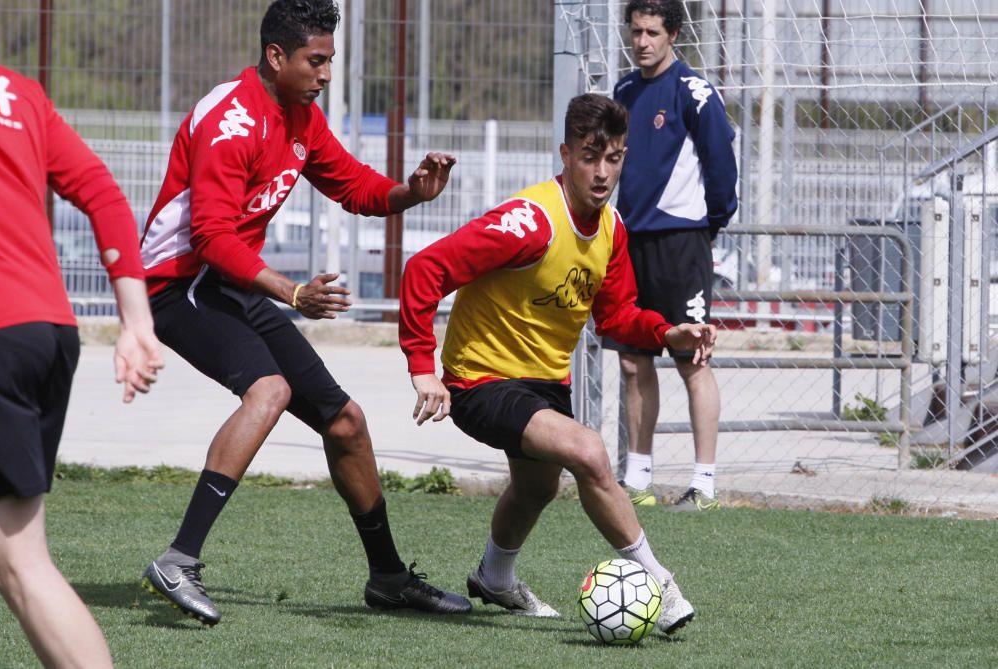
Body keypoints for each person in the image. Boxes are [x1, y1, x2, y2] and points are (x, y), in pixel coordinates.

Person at [137, 0, 470, 626]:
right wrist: (292, 293)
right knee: (269, 389)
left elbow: (354, 186)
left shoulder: (300, 116)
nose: (324, 75)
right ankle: (178, 559)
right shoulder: (232, 121)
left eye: (329, 62)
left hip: (229, 286)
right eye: (316, 61)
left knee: (345, 421)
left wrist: (411, 192)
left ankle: (390, 578)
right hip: (175, 285)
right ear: (276, 56)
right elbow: (209, 237)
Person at [399, 93, 716, 635]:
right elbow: (426, 268)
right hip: (480, 380)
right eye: (590, 157)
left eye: (613, 158)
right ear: (566, 154)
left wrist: (667, 331)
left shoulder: (612, 229)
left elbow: (617, 317)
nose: (602, 172)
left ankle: (494, 577)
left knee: (537, 488)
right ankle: (660, 583)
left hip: (544, 383)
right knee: (588, 451)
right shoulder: (529, 222)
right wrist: (422, 366)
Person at [0, 65, 165, 668]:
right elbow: (102, 192)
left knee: (20, 561)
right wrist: (136, 323)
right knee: (18, 559)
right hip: (45, 330)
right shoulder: (17, 91)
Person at [603, 0, 738, 509]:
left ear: (674, 35)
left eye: (652, 32)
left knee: (693, 361)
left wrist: (709, 225)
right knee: (635, 364)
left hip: (682, 244)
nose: (642, 41)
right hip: (629, 246)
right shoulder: (622, 92)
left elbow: (722, 167)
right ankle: (637, 479)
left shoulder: (695, 93)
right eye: (635, 31)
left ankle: (703, 483)